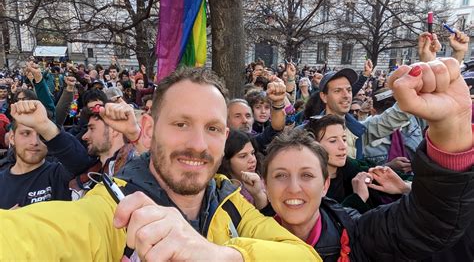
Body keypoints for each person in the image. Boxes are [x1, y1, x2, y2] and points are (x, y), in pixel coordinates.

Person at [0, 67, 319, 261]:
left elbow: (303, 256)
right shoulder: (114, 208)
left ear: (224, 137)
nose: (197, 144)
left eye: (211, 129)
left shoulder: (228, 200)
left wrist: (221, 255)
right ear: (150, 131)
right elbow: (37, 236)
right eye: (181, 124)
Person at [261, 58, 474, 261]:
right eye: (280, 175)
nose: (294, 187)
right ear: (265, 185)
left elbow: (426, 222)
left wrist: (451, 127)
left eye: (307, 175)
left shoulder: (356, 232)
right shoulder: (243, 239)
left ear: (325, 183)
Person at [0, 100, 92, 209]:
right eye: (26, 133)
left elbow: (81, 162)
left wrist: (44, 125)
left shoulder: (59, 175)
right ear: (11, 138)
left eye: (42, 135)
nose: (34, 142)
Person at [217, 129, 267, 209]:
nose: (252, 159)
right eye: (243, 156)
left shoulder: (262, 179)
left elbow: (267, 217)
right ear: (226, 161)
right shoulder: (220, 192)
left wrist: (258, 194)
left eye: (252, 153)